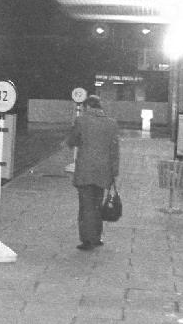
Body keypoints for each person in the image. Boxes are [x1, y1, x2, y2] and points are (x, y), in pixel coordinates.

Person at [63, 94, 120, 251]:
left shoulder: (82, 121)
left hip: (85, 171)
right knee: (96, 204)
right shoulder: (112, 123)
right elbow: (115, 150)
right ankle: (96, 237)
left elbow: (72, 141)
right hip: (103, 171)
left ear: (87, 106)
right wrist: (114, 172)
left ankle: (87, 240)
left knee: (86, 206)